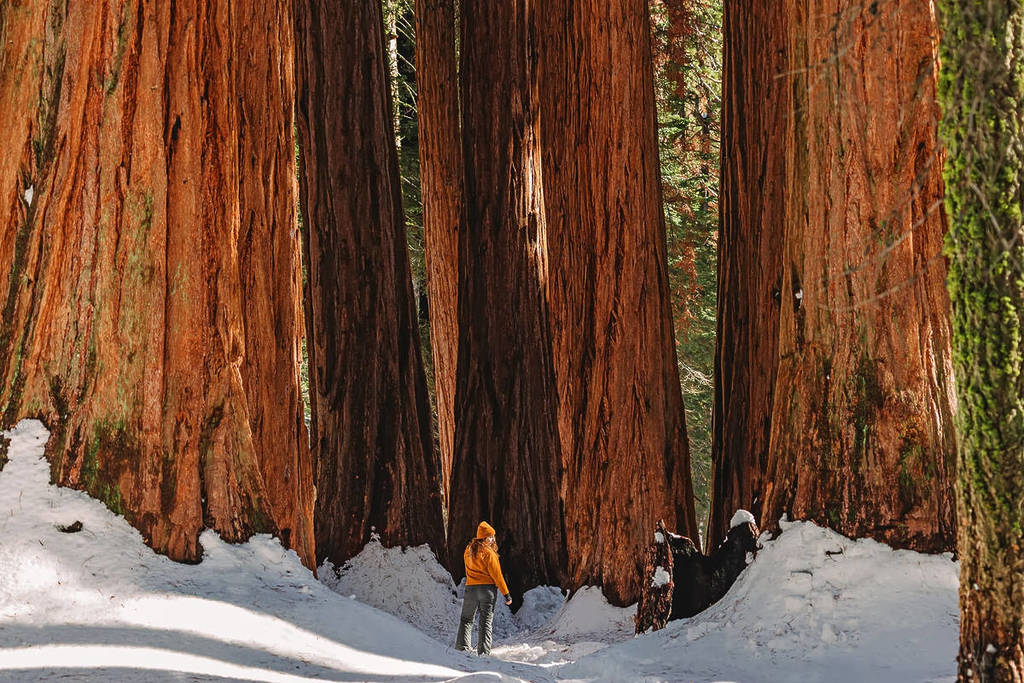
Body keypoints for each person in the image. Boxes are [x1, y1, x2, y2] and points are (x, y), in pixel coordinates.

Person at [454, 521, 512, 656]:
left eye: (493, 536)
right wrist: (506, 594)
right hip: (487, 590)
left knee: (466, 619)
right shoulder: (489, 553)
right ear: (483, 537)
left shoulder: (468, 550)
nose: (492, 539)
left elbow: (467, 569)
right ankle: (484, 653)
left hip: (471, 589)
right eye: (490, 537)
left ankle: (461, 648)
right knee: (485, 621)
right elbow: (497, 575)